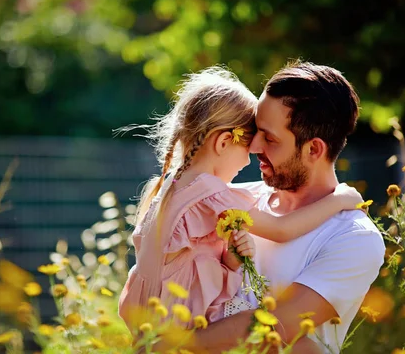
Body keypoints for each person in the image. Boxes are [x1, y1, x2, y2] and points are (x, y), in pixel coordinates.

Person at [117, 66, 364, 335]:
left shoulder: (170, 186)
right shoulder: (211, 195)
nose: (252, 155)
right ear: (223, 142)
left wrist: (230, 262)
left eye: (268, 138)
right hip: (181, 322)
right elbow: (281, 230)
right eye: (247, 144)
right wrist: (339, 199)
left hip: (153, 317)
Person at [180, 61, 386, 354]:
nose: (253, 148)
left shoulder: (353, 238)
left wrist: (173, 345)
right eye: (255, 131)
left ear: (313, 149)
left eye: (270, 138)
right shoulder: (231, 200)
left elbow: (275, 328)